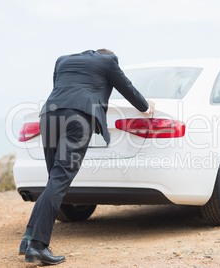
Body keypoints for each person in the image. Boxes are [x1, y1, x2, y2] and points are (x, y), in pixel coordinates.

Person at [19, 49, 155, 265]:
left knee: (54, 179)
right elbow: (127, 88)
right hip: (77, 118)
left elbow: (60, 89)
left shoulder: (63, 60)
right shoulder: (109, 61)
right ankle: (38, 246)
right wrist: (146, 107)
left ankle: (28, 239)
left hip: (49, 116)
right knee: (59, 180)